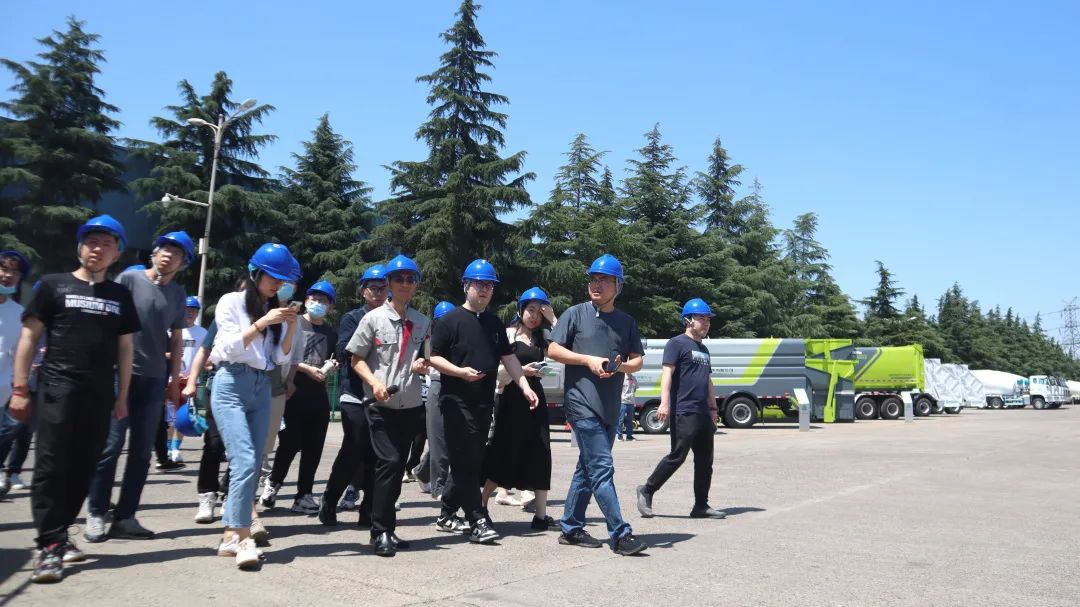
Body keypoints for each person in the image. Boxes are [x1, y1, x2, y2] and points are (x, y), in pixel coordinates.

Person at [10, 215, 140, 583]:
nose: (97, 249)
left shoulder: (119, 295)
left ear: (116, 254)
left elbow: (125, 348)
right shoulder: (53, 285)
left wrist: (122, 395)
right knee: (51, 466)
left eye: (106, 244)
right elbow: (28, 338)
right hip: (58, 389)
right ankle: (49, 545)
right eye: (91, 241)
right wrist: (20, 389)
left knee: (84, 467)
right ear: (80, 247)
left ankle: (61, 532)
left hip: (99, 394)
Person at [86, 231, 194, 542]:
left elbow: (176, 338)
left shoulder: (177, 293)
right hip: (120, 375)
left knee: (142, 452)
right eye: (164, 249)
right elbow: (107, 320)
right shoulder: (129, 280)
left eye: (176, 253)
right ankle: (96, 512)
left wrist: (173, 382)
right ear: (154, 253)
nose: (168, 255)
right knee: (110, 446)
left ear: (183, 263)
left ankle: (125, 517)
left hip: (154, 379)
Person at [428, 259, 538, 545]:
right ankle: (478, 519)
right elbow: (433, 357)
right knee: (465, 462)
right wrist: (459, 372)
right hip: (455, 402)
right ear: (466, 286)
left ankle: (447, 514)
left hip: (483, 404)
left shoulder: (493, 323)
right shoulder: (449, 320)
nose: (485, 289)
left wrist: (524, 386)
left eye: (489, 285)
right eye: (479, 284)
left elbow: (509, 358)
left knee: (471, 461)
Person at [547, 254, 648, 556]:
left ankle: (570, 527)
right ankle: (620, 534)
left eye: (604, 280)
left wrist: (620, 368)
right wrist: (587, 360)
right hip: (581, 403)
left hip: (611, 407)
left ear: (618, 285)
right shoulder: (575, 314)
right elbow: (553, 349)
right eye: (593, 278)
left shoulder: (626, 322)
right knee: (602, 468)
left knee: (588, 469)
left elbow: (637, 361)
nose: (596, 284)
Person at [208, 243, 299, 569]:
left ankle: (230, 537)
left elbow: (279, 357)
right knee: (244, 459)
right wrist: (262, 323)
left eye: (282, 279)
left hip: (262, 386)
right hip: (231, 382)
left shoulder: (272, 309)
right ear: (255, 272)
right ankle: (243, 536)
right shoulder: (231, 302)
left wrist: (290, 326)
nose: (277, 284)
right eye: (273, 277)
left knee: (253, 461)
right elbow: (230, 347)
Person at [345, 255, 430, 556]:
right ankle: (379, 530)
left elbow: (427, 357)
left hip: (410, 404)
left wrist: (423, 364)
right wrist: (375, 383)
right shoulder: (373, 319)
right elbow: (356, 359)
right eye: (399, 279)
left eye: (410, 279)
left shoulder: (422, 322)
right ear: (390, 283)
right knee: (390, 462)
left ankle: (387, 530)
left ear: (416, 284)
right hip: (380, 404)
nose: (405, 283)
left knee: (396, 467)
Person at [637, 299, 727, 520]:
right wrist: (664, 403)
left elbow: (708, 380)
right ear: (688, 320)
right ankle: (647, 490)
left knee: (705, 461)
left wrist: (713, 408)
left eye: (708, 319)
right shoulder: (676, 343)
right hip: (684, 410)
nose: (706, 323)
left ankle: (701, 506)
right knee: (678, 455)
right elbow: (667, 374)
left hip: (703, 412)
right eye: (701, 318)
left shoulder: (704, 349)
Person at [482, 287, 558, 531]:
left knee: (541, 453)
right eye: (530, 310)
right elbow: (495, 372)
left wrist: (554, 320)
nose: (534, 316)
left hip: (536, 399)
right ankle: (481, 506)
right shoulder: (508, 334)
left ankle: (541, 516)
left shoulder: (543, 338)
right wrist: (521, 371)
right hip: (511, 399)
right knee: (504, 453)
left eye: (539, 312)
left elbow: (565, 347)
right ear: (521, 310)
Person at [319, 264, 386, 524]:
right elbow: (344, 349)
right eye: (373, 288)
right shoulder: (353, 318)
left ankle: (368, 509)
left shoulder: (393, 318)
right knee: (354, 446)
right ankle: (329, 499)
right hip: (355, 394)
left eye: (382, 288)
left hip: (382, 396)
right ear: (363, 291)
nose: (378, 293)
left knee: (376, 453)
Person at [267, 280, 338, 514]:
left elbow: (332, 358)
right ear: (306, 301)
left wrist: (331, 366)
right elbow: (284, 355)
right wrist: (307, 370)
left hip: (318, 395)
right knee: (289, 443)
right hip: (292, 393)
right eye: (314, 298)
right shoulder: (294, 322)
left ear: (330, 307)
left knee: (314, 448)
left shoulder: (330, 332)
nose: (317, 303)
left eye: (323, 301)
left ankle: (303, 495)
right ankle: (273, 484)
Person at [412, 300, 455, 499]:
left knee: (449, 439)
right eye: (442, 320)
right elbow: (424, 362)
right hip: (437, 386)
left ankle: (422, 471)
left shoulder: (459, 337)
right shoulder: (430, 340)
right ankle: (439, 487)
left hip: (457, 388)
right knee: (439, 440)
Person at [157, 296, 207, 465]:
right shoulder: (171, 331)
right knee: (169, 417)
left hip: (190, 381)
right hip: (172, 379)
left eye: (193, 311)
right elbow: (160, 353)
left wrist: (193, 375)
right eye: (187, 310)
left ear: (197, 313)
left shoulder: (203, 333)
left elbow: (205, 357)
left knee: (184, 416)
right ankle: (167, 449)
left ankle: (175, 449)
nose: (190, 314)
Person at [0, 250, 31, 497]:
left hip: (4, 387)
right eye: (4, 269)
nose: (8, 275)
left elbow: (20, 352)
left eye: (14, 272)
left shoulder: (19, 313)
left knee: (11, 429)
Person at [616, 373, 638, 441]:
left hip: (631, 402)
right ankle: (619, 436)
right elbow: (618, 389)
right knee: (621, 420)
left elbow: (635, 389)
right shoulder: (622, 378)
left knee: (630, 420)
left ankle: (629, 436)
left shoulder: (634, 378)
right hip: (622, 402)